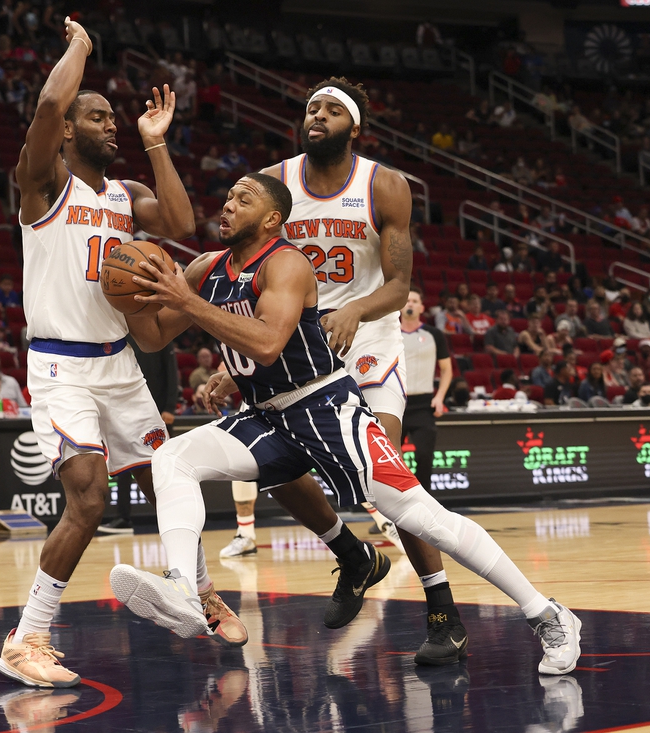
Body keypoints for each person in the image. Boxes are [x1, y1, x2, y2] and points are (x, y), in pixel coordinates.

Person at [108, 171, 582, 676]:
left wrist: (187, 302)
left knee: (423, 518)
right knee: (172, 458)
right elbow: (155, 338)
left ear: (272, 219)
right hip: (268, 417)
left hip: (326, 410)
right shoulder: (206, 269)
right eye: (226, 197)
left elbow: (268, 343)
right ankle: (187, 587)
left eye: (242, 199)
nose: (227, 205)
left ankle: (547, 613)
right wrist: (130, 298)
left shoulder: (287, 262)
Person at [0, 18, 237, 691]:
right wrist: (81, 49)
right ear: (69, 131)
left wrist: (156, 144)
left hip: (119, 361)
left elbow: (185, 224)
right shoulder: (43, 185)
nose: (110, 125)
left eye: (113, 118)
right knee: (89, 498)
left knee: (171, 470)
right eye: (96, 117)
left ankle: (197, 589)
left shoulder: (125, 197)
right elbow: (47, 106)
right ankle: (28, 635)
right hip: (60, 365)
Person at [256, 78, 480, 661]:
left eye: (332, 109)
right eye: (311, 108)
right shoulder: (274, 184)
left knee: (385, 480)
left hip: (370, 336)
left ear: (354, 127)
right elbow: (252, 269)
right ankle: (353, 557)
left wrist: (355, 307)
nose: (318, 116)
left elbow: (400, 284)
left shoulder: (385, 184)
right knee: (270, 465)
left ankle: (443, 613)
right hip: (300, 342)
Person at [400, 287, 452, 490]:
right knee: (393, 457)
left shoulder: (434, 334)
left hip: (423, 404)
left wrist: (439, 397)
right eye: (407, 300)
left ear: (422, 307)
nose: (410, 304)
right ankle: (397, 504)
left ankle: (425, 502)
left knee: (424, 454)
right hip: (397, 402)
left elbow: (446, 370)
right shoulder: (389, 334)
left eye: (414, 301)